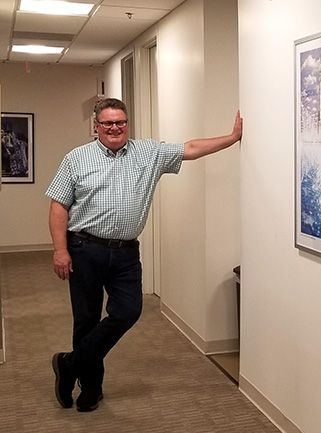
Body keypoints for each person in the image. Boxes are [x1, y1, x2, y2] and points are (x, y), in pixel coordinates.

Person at [46, 97, 243, 412]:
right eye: (108, 123)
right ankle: (91, 388)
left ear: (127, 124)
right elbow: (59, 206)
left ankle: (70, 363)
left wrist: (231, 138)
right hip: (84, 249)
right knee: (86, 320)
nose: (115, 128)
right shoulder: (76, 159)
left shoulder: (148, 153)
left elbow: (189, 148)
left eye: (120, 122)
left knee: (128, 311)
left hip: (125, 253)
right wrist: (60, 250)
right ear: (96, 127)